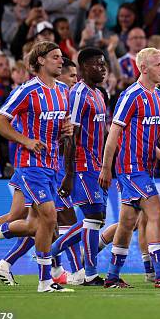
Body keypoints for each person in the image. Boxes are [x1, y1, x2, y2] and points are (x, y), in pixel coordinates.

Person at [0, 41, 74, 293]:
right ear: (40, 60)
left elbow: (59, 127)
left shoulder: (62, 90)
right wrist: (26, 141)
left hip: (52, 165)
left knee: (34, 225)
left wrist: (65, 130)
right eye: (55, 57)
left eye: (62, 57)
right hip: (31, 165)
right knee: (50, 217)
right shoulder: (26, 90)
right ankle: (45, 281)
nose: (61, 61)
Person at [98, 47, 160, 288]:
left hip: (145, 168)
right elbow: (114, 133)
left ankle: (112, 277)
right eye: (158, 64)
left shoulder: (159, 96)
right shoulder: (131, 96)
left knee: (128, 222)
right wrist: (107, 167)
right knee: (156, 211)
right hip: (130, 167)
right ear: (143, 68)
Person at [47, 48, 109, 286]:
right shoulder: (78, 94)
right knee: (93, 217)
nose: (102, 68)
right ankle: (90, 273)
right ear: (84, 67)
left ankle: (49, 252)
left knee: (96, 219)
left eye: (104, 64)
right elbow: (70, 135)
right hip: (81, 165)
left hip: (95, 165)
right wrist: (69, 173)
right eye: (97, 64)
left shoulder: (99, 95)